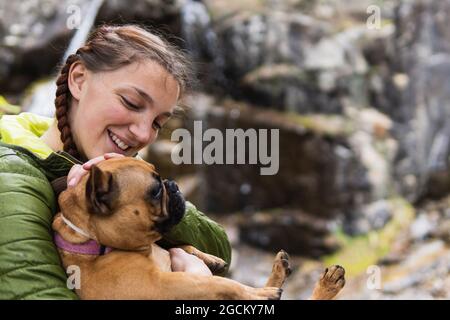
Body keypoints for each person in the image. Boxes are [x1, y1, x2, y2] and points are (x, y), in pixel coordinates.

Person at [0, 24, 231, 299]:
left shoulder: (124, 182)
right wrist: (193, 286)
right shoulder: (11, 178)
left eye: (159, 122)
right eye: (132, 103)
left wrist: (159, 202)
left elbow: (219, 249)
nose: (144, 134)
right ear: (79, 79)